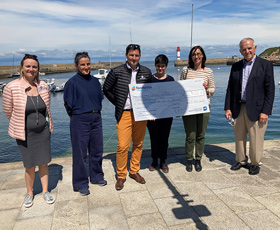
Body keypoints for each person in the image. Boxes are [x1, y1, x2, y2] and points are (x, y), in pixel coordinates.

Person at [2, 54, 55, 208]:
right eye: (28, 66)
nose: (31, 69)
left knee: (44, 163)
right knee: (30, 165)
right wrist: (20, 124)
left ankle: (45, 191)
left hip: (43, 132)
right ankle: (29, 193)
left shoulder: (43, 85)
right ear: (22, 68)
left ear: (38, 69)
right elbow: (8, 111)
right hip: (24, 133)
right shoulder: (11, 87)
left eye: (34, 67)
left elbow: (47, 108)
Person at [103, 44, 152, 191]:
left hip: (140, 114)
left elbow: (151, 92)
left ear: (140, 56)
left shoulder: (146, 72)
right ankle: (121, 175)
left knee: (138, 143)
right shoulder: (116, 71)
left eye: (136, 55)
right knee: (123, 146)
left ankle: (134, 171)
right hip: (124, 113)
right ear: (126, 55)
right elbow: (106, 89)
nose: (134, 58)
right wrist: (118, 103)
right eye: (131, 55)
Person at [224, 38, 275, 175]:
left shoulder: (265, 65)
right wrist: (227, 108)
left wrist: (266, 111)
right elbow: (230, 88)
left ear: (255, 48)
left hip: (258, 109)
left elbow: (270, 90)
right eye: (244, 49)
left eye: (249, 48)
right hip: (238, 107)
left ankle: (255, 163)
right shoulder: (236, 67)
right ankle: (241, 160)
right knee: (239, 136)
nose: (247, 51)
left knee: (256, 138)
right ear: (240, 51)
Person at [64, 52, 106, 196]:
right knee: (80, 153)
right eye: (82, 64)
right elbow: (67, 105)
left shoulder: (95, 81)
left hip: (96, 118)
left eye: (88, 64)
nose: (86, 67)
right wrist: (77, 117)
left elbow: (100, 99)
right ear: (77, 66)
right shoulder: (71, 83)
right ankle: (80, 183)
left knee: (97, 150)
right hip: (79, 119)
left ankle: (96, 176)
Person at [180, 46, 215, 172]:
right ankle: (189, 159)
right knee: (190, 135)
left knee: (201, 134)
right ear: (191, 56)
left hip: (204, 106)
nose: (196, 56)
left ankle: (198, 159)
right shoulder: (185, 70)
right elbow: (180, 88)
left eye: (199, 54)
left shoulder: (208, 71)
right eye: (194, 54)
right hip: (188, 108)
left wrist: (207, 90)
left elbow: (213, 89)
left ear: (203, 56)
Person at [147, 54, 174, 173]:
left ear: (166, 66)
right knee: (154, 139)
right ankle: (154, 160)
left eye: (162, 66)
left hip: (167, 116)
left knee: (164, 138)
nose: (160, 68)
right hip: (152, 116)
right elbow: (146, 98)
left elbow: (175, 98)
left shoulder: (171, 80)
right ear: (155, 65)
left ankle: (163, 160)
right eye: (158, 66)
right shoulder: (150, 79)